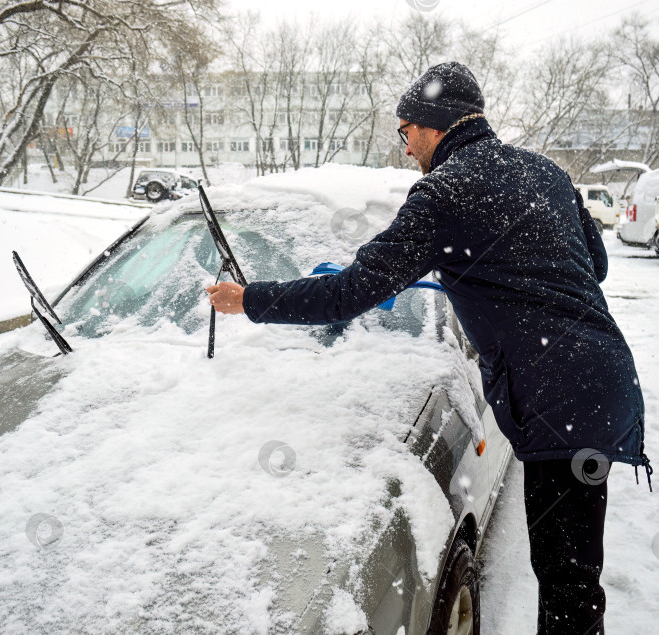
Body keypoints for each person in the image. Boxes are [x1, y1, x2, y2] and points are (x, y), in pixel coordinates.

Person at [206, 62, 650, 634]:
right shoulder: (545, 172)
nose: (405, 147)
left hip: (554, 400)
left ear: (431, 125)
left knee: (566, 585)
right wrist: (487, 270)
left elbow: (348, 293)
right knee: (575, 579)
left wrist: (250, 299)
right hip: (600, 381)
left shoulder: (443, 192)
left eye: (405, 131)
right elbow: (598, 265)